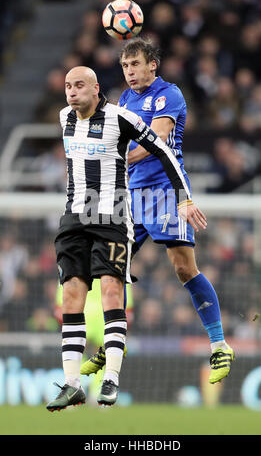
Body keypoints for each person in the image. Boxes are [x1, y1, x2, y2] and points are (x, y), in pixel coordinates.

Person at [46, 65, 207, 411]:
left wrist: (183, 197)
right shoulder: (64, 118)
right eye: (67, 86)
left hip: (114, 217)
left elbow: (163, 150)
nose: (71, 92)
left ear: (95, 88)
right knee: (71, 292)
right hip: (74, 216)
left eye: (78, 86)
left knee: (110, 289)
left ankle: (111, 379)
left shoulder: (121, 118)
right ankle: (72, 383)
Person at [81, 38, 234, 386]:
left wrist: (119, 157)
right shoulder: (126, 99)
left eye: (135, 64)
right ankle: (112, 341)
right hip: (133, 195)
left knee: (183, 268)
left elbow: (158, 139)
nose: (130, 72)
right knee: (110, 267)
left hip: (167, 191)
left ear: (153, 65)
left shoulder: (169, 94)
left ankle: (219, 344)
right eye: (125, 66)